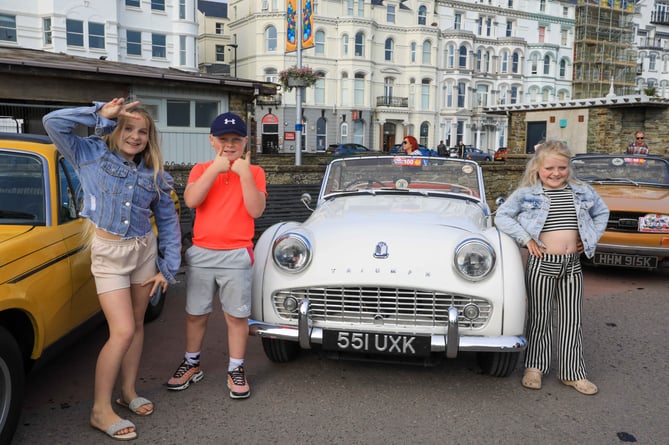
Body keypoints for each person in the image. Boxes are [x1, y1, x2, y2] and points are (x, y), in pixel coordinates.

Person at [42, 98, 182, 441]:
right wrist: (99, 113)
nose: (135, 136)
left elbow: (168, 221)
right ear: (116, 128)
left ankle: (128, 392)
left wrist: (168, 266)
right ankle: (100, 409)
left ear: (150, 138)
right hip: (109, 255)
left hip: (143, 253)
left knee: (135, 327)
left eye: (142, 131)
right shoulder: (88, 154)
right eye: (128, 128)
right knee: (120, 331)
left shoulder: (155, 174)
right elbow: (51, 122)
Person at [494, 140, 609, 396]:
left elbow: (602, 212)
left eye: (562, 167)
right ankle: (535, 367)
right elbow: (502, 215)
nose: (556, 173)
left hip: (572, 265)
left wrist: (589, 236)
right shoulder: (528, 194)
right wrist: (525, 238)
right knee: (539, 317)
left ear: (569, 167)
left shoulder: (582, 191)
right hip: (542, 263)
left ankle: (573, 373)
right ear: (537, 168)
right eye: (549, 168)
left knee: (572, 319)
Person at [166, 112, 266, 400]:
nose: (229, 144)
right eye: (223, 139)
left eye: (236, 139)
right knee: (196, 313)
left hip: (236, 253)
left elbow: (255, 209)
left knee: (236, 316)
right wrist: (216, 170)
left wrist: (244, 173)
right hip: (203, 252)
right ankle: (192, 362)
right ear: (212, 141)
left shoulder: (255, 172)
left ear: (245, 142)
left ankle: (236, 367)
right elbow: (191, 201)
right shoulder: (201, 168)